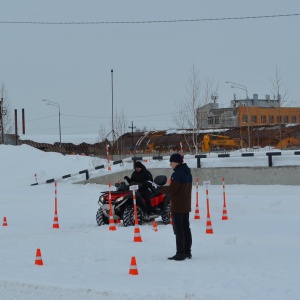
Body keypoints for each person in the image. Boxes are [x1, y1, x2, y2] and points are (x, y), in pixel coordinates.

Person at [159, 153, 192, 261]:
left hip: (177, 205)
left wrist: (160, 189)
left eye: (171, 162)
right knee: (186, 229)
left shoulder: (177, 174)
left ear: (176, 162)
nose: (170, 164)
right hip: (186, 205)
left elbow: (172, 190)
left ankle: (180, 253)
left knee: (179, 230)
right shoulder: (188, 173)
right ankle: (187, 252)